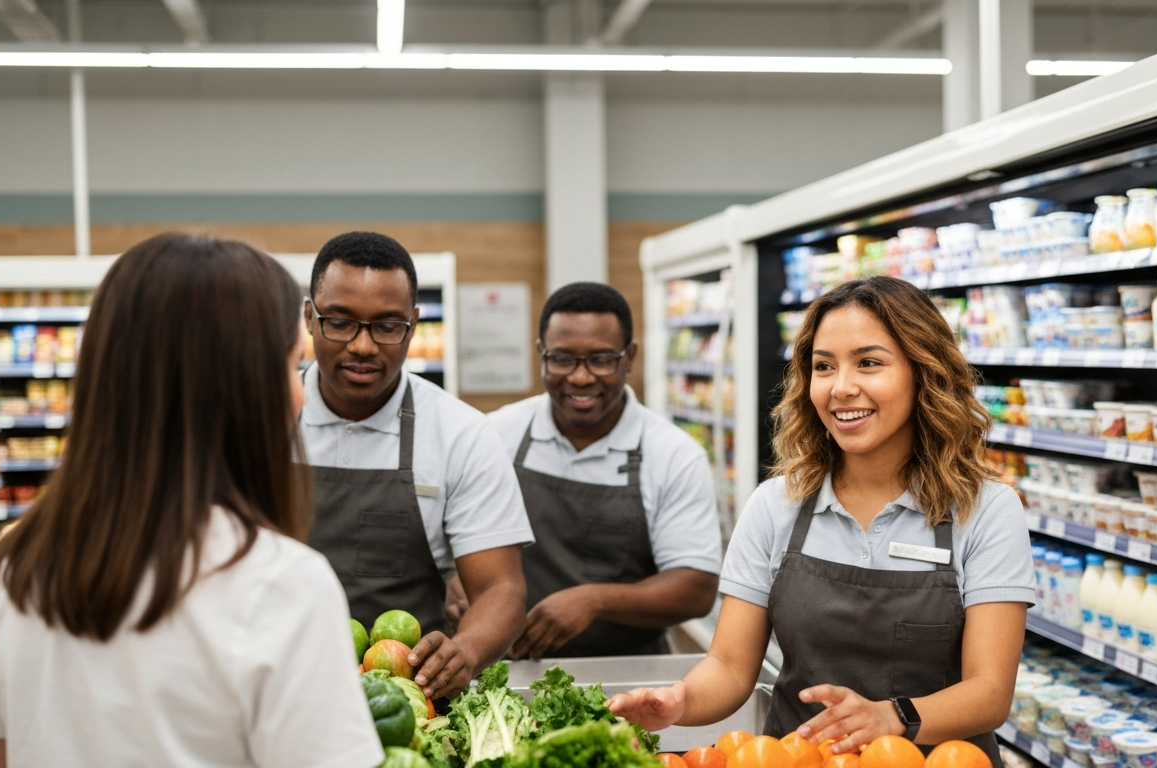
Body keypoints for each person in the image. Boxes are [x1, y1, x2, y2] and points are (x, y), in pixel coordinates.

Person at [0, 233, 383, 767]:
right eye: (291, 366)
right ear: (241, 388)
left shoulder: (10, 575)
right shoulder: (282, 587)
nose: (301, 393)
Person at [609, 276, 1033, 763]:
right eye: (824, 367)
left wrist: (891, 717)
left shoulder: (984, 509)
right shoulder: (776, 505)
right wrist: (678, 701)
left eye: (869, 363)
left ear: (924, 372)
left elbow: (990, 690)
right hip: (798, 757)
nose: (842, 388)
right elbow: (728, 665)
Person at [301, 231, 533, 700]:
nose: (363, 346)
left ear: (413, 324)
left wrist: (464, 651)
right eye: (340, 322)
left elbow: (501, 589)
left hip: (411, 701)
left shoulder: (460, 433)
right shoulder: (257, 419)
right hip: (273, 685)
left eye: (387, 326)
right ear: (309, 317)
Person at [478, 282, 722, 658]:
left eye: (601, 359)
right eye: (562, 359)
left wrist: (596, 600)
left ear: (630, 358)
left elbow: (696, 588)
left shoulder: (673, 455)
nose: (580, 377)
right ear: (541, 355)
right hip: (512, 666)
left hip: (632, 677)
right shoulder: (497, 434)